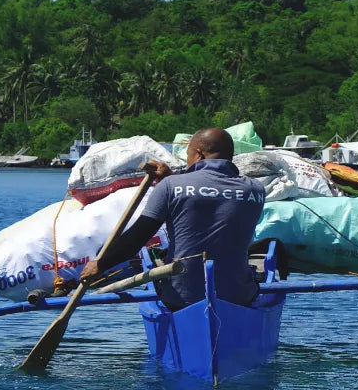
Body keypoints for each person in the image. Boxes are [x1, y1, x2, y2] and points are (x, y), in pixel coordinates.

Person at [80, 128, 266, 310]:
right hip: (237, 296)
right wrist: (172, 178)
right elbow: (210, 192)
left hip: (180, 297)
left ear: (198, 154)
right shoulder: (255, 190)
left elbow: (137, 237)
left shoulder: (171, 186)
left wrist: (101, 264)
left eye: (188, 155)